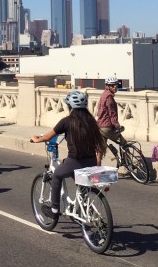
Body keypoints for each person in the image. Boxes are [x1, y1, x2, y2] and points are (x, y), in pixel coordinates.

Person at [30, 90, 106, 221]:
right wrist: (97, 165)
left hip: (75, 161)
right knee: (72, 169)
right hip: (91, 161)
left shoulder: (66, 122)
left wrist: (36, 139)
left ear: (69, 106)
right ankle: (81, 201)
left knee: (57, 176)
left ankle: (54, 210)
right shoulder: (91, 121)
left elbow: (48, 136)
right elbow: (99, 146)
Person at [95, 76, 126, 165]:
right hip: (107, 127)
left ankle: (98, 168)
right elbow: (112, 114)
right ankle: (125, 162)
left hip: (100, 126)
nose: (115, 87)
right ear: (107, 86)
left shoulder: (103, 94)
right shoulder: (109, 97)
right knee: (123, 142)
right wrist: (117, 126)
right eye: (112, 85)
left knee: (100, 150)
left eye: (116, 85)